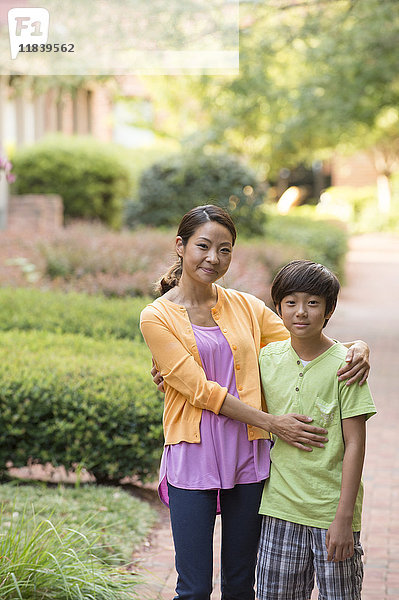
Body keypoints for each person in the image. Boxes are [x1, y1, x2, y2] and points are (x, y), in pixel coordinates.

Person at [140, 205, 370, 600]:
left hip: (247, 454)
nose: (214, 258)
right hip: (193, 453)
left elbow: (303, 340)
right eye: (203, 246)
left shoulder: (245, 306)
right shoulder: (156, 316)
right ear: (180, 246)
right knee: (193, 588)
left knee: (240, 582)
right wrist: (271, 421)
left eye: (225, 249)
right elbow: (200, 390)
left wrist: (356, 347)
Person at [256, 260, 376, 600]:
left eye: (313, 303)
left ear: (329, 309)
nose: (301, 312)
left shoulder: (347, 366)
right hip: (278, 509)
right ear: (277, 306)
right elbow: (220, 386)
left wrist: (344, 518)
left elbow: (355, 445)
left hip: (331, 514)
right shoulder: (267, 359)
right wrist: (165, 377)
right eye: (291, 302)